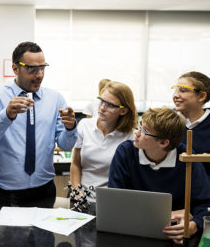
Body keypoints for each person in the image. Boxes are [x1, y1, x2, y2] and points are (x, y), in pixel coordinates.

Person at [0, 41, 77, 208]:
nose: (39, 74)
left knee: (44, 235)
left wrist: (70, 128)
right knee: (5, 236)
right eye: (32, 69)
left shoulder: (56, 99)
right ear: (15, 69)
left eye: (42, 68)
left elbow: (66, 145)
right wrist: (6, 115)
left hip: (44, 190)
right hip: (6, 193)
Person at [108, 107, 210, 245]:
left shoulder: (188, 157)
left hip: (173, 236)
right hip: (133, 232)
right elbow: (115, 199)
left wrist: (194, 225)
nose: (137, 133)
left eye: (144, 131)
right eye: (139, 126)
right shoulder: (125, 152)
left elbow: (204, 203)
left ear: (163, 143)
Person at [70, 81, 137, 209]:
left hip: (112, 203)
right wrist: (76, 191)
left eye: (110, 105)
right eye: (101, 101)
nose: (102, 108)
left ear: (123, 111)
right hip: (81, 198)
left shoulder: (131, 137)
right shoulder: (84, 125)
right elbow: (75, 163)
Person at [172, 71, 210, 177]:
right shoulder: (168, 121)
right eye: (175, 90)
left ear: (201, 96)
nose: (175, 95)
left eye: (183, 90)